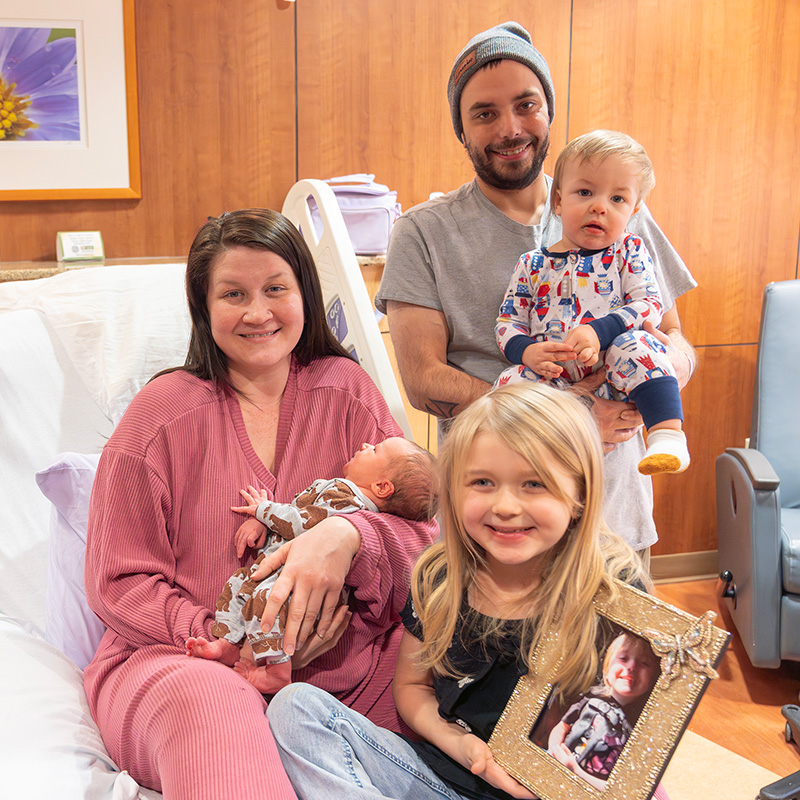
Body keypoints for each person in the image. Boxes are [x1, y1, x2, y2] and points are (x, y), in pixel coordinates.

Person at [83, 208, 438, 800]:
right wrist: (229, 637)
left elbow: (428, 547)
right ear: (203, 308)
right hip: (185, 660)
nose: (257, 312)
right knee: (217, 708)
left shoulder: (346, 391)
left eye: (276, 289)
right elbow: (118, 582)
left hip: (349, 663)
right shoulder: (160, 416)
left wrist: (349, 537)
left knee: (472, 667)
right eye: (233, 294)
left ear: (305, 294)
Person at [375, 20, 697, 555]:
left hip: (614, 517)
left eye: (526, 105)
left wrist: (662, 376)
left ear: (548, 111)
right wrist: (561, 416)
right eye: (484, 113)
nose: (510, 128)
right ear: (461, 130)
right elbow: (423, 379)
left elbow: (674, 334)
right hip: (495, 525)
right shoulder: (425, 232)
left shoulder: (616, 206)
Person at [265, 383, 669, 800]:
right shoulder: (438, 576)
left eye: (534, 484)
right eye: (482, 482)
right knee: (295, 707)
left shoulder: (615, 588)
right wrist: (461, 745)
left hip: (557, 790)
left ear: (580, 493)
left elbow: (634, 729)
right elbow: (412, 688)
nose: (506, 506)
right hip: (444, 779)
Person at [495, 130, 690, 476]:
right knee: (511, 381)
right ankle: (529, 461)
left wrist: (599, 332)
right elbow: (508, 323)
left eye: (618, 199)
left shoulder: (629, 250)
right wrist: (526, 352)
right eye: (585, 192)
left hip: (618, 374)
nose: (600, 206)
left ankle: (667, 436)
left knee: (639, 346)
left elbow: (649, 304)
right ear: (558, 201)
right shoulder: (531, 265)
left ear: (633, 211)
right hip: (556, 382)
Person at [187, 437, 438, 695]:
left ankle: (277, 672)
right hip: (272, 567)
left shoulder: (350, 502)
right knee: (238, 587)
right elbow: (301, 510)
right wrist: (264, 523)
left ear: (382, 487)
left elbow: (301, 523)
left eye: (374, 450)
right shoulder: (341, 490)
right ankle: (229, 642)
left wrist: (264, 510)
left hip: (293, 583)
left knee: (268, 605)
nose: (365, 445)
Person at [547, 631, 661, 790]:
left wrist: (576, 771)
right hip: (553, 771)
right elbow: (562, 727)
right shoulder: (588, 700)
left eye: (644, 663)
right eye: (623, 658)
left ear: (654, 680)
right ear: (607, 668)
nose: (631, 666)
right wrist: (554, 750)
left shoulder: (641, 729)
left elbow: (621, 789)